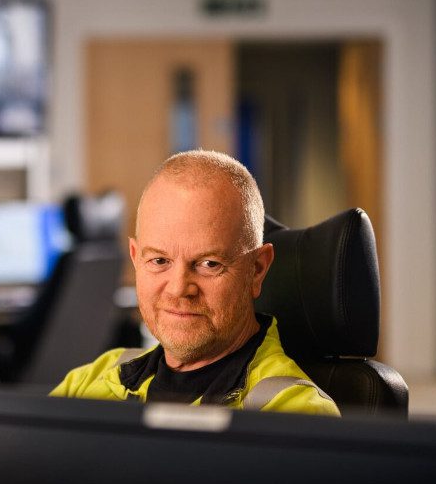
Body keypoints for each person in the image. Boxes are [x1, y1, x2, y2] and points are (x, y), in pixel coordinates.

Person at [51, 149, 338, 416]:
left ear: (257, 269)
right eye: (159, 261)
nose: (178, 289)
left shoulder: (294, 413)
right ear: (136, 258)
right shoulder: (90, 382)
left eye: (208, 264)